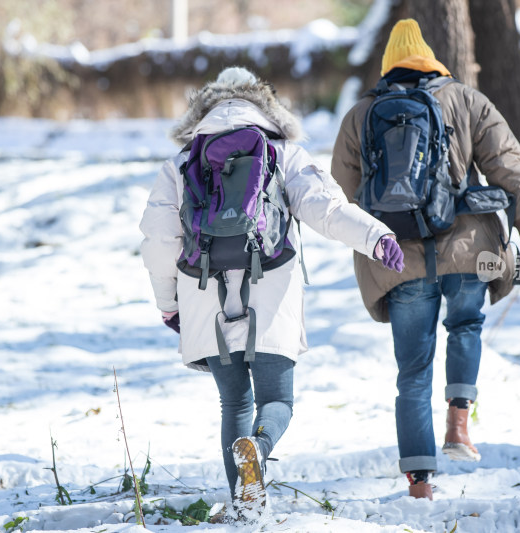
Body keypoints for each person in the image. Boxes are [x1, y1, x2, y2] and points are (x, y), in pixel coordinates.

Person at [139, 66, 404, 521]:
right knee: (276, 401)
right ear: (264, 104)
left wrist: (169, 305)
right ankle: (259, 449)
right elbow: (328, 208)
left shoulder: (182, 164)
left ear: (206, 107)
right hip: (272, 291)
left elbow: (159, 241)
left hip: (205, 295)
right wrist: (376, 237)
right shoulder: (283, 153)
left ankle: (248, 506)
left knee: (234, 402)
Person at [331, 19, 520, 500]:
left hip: (396, 260)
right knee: (466, 326)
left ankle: (421, 484)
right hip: (469, 251)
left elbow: (340, 195)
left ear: (388, 66)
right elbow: (507, 164)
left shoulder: (362, 114)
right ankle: (458, 424)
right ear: (432, 59)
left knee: (412, 371)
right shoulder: (467, 101)